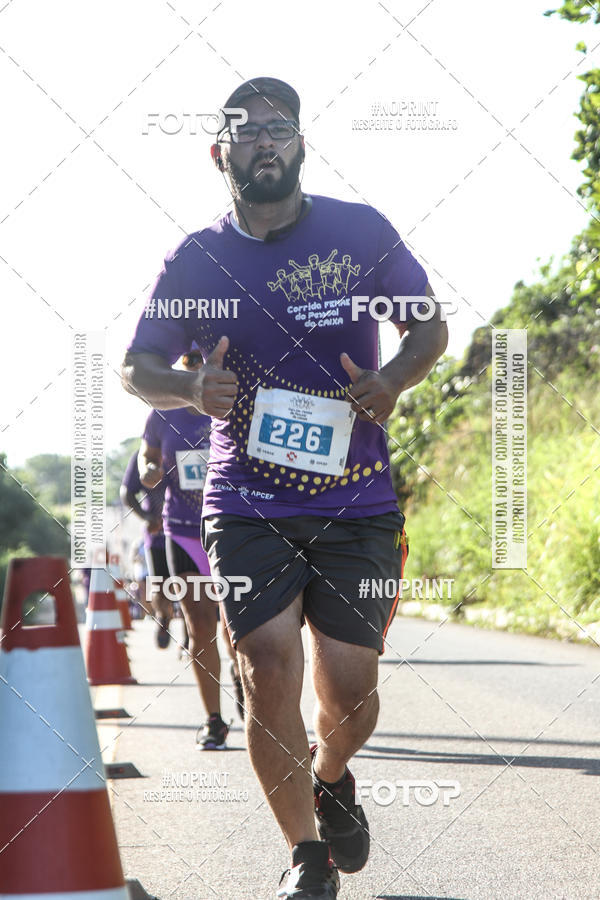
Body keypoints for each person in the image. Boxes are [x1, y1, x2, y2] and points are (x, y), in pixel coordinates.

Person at [122, 76, 448, 899]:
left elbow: (429, 324)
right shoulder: (195, 259)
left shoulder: (359, 231)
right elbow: (137, 366)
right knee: (267, 669)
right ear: (219, 152)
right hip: (245, 500)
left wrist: (394, 381)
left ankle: (332, 775)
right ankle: (307, 854)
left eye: (281, 128)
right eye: (249, 130)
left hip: (358, 496)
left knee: (350, 686)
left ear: (301, 144)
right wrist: (192, 392)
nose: (266, 140)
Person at [138, 350, 244, 748]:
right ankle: (214, 720)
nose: (193, 359)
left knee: (238, 629)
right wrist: (149, 469)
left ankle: (243, 678)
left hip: (235, 526)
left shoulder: (237, 393)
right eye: (187, 355)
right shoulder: (163, 408)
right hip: (183, 530)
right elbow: (146, 456)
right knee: (201, 629)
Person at [120, 450, 173, 641]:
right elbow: (127, 492)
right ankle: (163, 616)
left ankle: (189, 636)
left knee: (190, 584)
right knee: (160, 586)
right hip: (157, 534)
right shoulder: (142, 456)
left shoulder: (193, 442)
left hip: (187, 530)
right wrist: (146, 517)